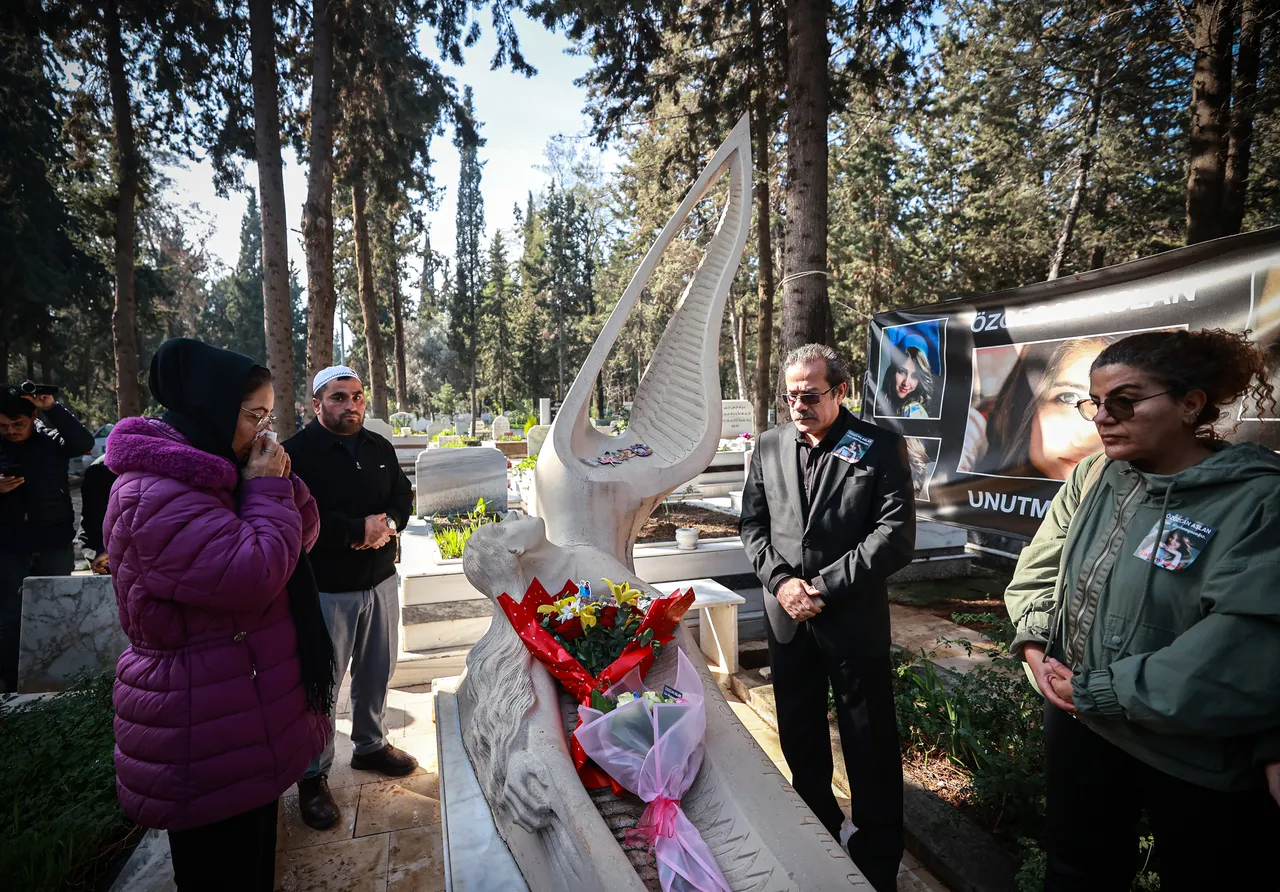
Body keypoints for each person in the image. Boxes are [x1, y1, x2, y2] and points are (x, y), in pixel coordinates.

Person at [1003, 329, 1280, 891]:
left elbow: (1240, 646)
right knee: (1076, 871)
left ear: (1190, 403)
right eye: (1096, 403)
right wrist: (1036, 644)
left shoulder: (1257, 500)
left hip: (1190, 751)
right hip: (1081, 723)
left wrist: (1101, 690)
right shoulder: (1096, 474)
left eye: (1125, 401)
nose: (1103, 418)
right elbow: (1040, 567)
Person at [105, 338, 333, 891]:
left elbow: (298, 540)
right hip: (199, 723)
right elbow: (253, 572)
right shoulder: (154, 492)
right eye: (253, 414)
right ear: (209, 408)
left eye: (269, 415)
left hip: (237, 708)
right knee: (221, 871)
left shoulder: (218, 472)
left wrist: (275, 485)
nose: (263, 430)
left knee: (254, 862)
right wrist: (266, 488)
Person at [740, 343, 916, 891]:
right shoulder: (769, 446)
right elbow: (752, 525)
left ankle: (877, 855)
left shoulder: (880, 447)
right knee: (798, 730)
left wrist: (822, 585)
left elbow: (894, 536)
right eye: (791, 395)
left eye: (811, 395)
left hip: (851, 617)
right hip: (787, 617)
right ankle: (817, 828)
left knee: (869, 739)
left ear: (841, 391)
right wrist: (782, 582)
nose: (798, 405)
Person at [283, 365, 417, 830]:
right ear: (316, 404)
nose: (351, 406)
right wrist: (354, 531)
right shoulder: (295, 454)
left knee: (378, 668)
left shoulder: (377, 446)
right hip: (327, 588)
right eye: (339, 398)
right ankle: (312, 775)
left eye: (357, 397)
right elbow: (295, 520)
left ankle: (370, 745)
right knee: (322, 684)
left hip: (380, 580)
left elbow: (403, 495)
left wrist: (389, 526)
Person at [0, 385, 94, 692]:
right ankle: (16, 689)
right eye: (3, 426)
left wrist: (53, 408)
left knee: (55, 615)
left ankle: (56, 687)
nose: (11, 431)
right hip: (9, 547)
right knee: (12, 620)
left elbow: (83, 441)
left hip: (54, 544)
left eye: (18, 424)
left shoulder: (52, 442)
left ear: (33, 417)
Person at [961, 335, 1116, 480]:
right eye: (1068, 398)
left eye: (1118, 404)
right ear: (1026, 404)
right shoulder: (972, 433)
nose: (1088, 437)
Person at [877, 338, 934, 418]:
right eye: (902, 372)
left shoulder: (914, 411)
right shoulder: (882, 402)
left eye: (914, 376)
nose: (906, 383)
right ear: (893, 370)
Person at [79, 454, 117, 573]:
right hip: (113, 565)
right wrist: (97, 554)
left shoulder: (168, 465)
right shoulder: (101, 470)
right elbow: (91, 522)